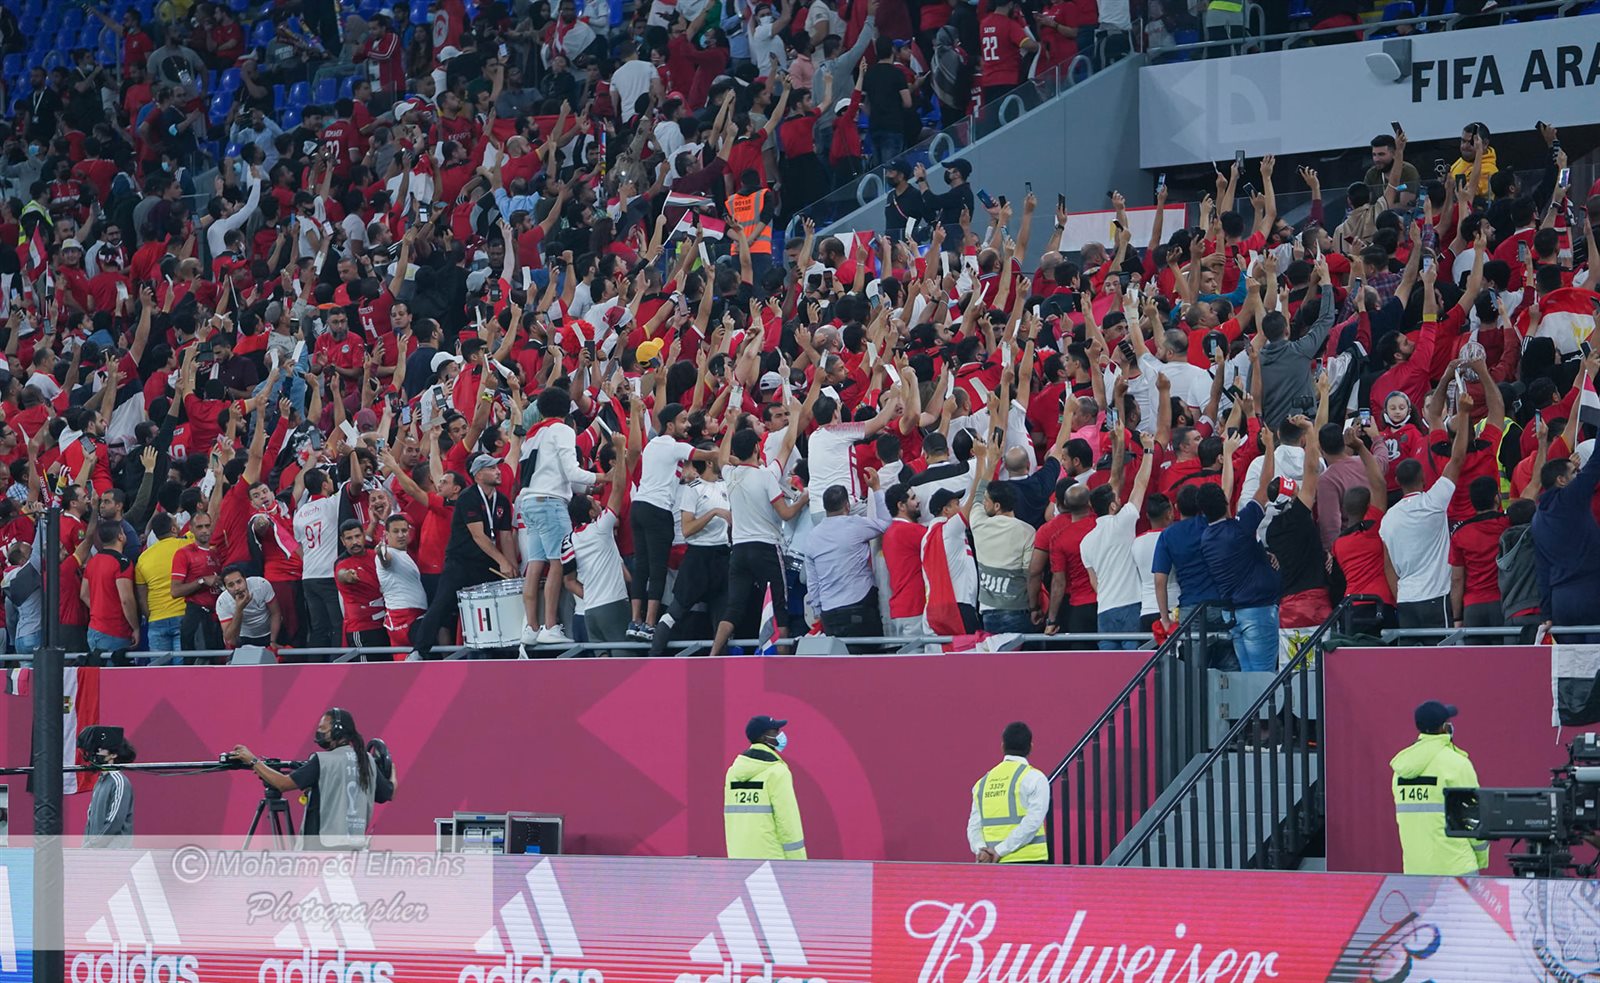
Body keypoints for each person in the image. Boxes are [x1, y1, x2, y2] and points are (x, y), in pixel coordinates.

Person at [231, 708, 396, 850]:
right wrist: (392, 771)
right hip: (354, 848)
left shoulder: (323, 761)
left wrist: (253, 761)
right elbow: (387, 793)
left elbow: (282, 784)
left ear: (337, 730)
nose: (319, 732)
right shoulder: (368, 761)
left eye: (323, 728)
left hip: (321, 848)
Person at [1380, 396, 1470, 630]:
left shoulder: (1387, 519)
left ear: (1397, 481)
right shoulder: (1433, 502)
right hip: (1436, 597)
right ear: (1423, 478)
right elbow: (1457, 459)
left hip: (1406, 600)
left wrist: (1400, 596)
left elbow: (1388, 566)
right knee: (1439, 654)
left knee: (1412, 655)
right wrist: (1465, 415)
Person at [1390, 700, 1487, 875]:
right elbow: (1474, 819)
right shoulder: (1457, 764)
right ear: (1444, 727)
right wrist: (1480, 859)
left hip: (1415, 871)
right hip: (1457, 868)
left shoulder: (1401, 769)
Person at [802, 481, 892, 644]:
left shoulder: (812, 537)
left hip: (829, 613)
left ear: (825, 507)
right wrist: (877, 489)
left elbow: (813, 582)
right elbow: (886, 523)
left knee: (839, 659)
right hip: (860, 607)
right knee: (869, 658)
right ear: (847, 505)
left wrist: (818, 611)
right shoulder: (855, 524)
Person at [724, 715, 806, 860]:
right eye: (775, 731)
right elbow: (788, 821)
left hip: (738, 858)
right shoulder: (778, 772)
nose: (780, 735)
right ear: (763, 738)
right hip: (772, 860)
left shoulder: (732, 773)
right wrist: (797, 862)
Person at [967, 721, 1047, 863]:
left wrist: (981, 850)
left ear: (1002, 746)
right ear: (1030, 747)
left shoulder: (982, 783)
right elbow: (1033, 822)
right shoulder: (1035, 778)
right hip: (1029, 860)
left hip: (990, 863)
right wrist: (1000, 850)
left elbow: (974, 826)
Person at [83, 734, 136, 848]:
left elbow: (115, 820)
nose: (97, 752)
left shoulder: (119, 781)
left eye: (102, 748)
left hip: (114, 852)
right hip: (95, 851)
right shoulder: (100, 782)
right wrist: (86, 845)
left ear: (113, 754)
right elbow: (90, 818)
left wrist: (93, 844)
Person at [216, 564, 281, 650]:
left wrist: (273, 641)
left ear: (245, 579)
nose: (237, 588)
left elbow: (276, 613)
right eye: (231, 585)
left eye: (239, 582)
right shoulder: (222, 602)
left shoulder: (261, 584)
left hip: (270, 632)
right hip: (244, 637)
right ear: (226, 588)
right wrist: (239, 609)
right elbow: (230, 639)